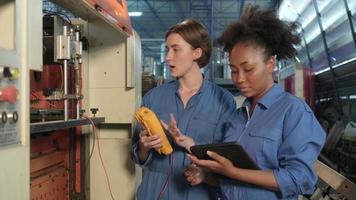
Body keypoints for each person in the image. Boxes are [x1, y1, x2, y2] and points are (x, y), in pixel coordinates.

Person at [186, 5, 326, 200]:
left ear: (270, 63)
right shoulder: (236, 118)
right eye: (234, 70)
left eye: (248, 69)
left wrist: (234, 172)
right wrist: (206, 176)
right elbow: (233, 184)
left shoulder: (293, 111)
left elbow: (301, 180)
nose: (239, 78)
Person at [130, 19, 237, 200]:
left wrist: (196, 155)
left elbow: (227, 160)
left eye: (176, 49)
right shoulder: (153, 98)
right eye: (167, 50)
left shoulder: (224, 101)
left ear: (197, 52)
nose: (168, 57)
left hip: (199, 192)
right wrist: (144, 146)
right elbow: (138, 157)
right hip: (154, 192)